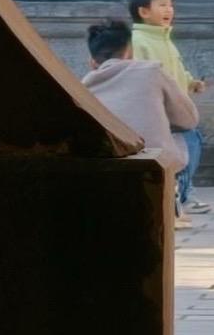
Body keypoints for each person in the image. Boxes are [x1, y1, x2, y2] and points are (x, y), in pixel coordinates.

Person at [83, 15, 195, 213]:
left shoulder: (84, 86)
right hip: (155, 161)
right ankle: (180, 194)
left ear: (92, 62)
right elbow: (189, 118)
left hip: (103, 163)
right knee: (189, 134)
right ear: (129, 52)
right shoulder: (151, 71)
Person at [130, 0, 204, 221]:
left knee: (189, 146)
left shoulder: (165, 39)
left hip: (175, 107)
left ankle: (181, 198)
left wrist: (191, 83)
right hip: (159, 110)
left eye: (171, 5)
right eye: (162, 5)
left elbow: (177, 70)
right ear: (143, 12)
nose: (169, 10)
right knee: (182, 150)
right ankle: (179, 200)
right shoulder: (138, 40)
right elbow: (140, 75)